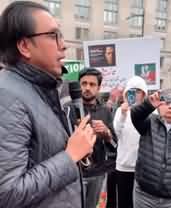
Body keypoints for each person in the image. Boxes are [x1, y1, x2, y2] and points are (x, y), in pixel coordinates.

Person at [0, 2, 96, 208]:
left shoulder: (46, 88)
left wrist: (78, 149)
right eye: (53, 36)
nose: (63, 45)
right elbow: (7, 193)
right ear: (24, 46)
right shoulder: (6, 96)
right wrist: (70, 156)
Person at [78, 68, 117, 208]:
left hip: (97, 172)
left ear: (98, 87)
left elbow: (115, 145)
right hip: (74, 173)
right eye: (84, 83)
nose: (87, 88)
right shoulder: (68, 109)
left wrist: (107, 134)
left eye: (92, 84)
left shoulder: (105, 112)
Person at [109, 76, 148, 208]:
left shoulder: (151, 113)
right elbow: (116, 133)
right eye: (131, 91)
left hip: (143, 168)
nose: (135, 95)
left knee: (140, 203)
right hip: (123, 166)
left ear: (144, 94)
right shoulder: (121, 111)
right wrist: (123, 114)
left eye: (138, 91)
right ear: (126, 94)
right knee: (124, 202)